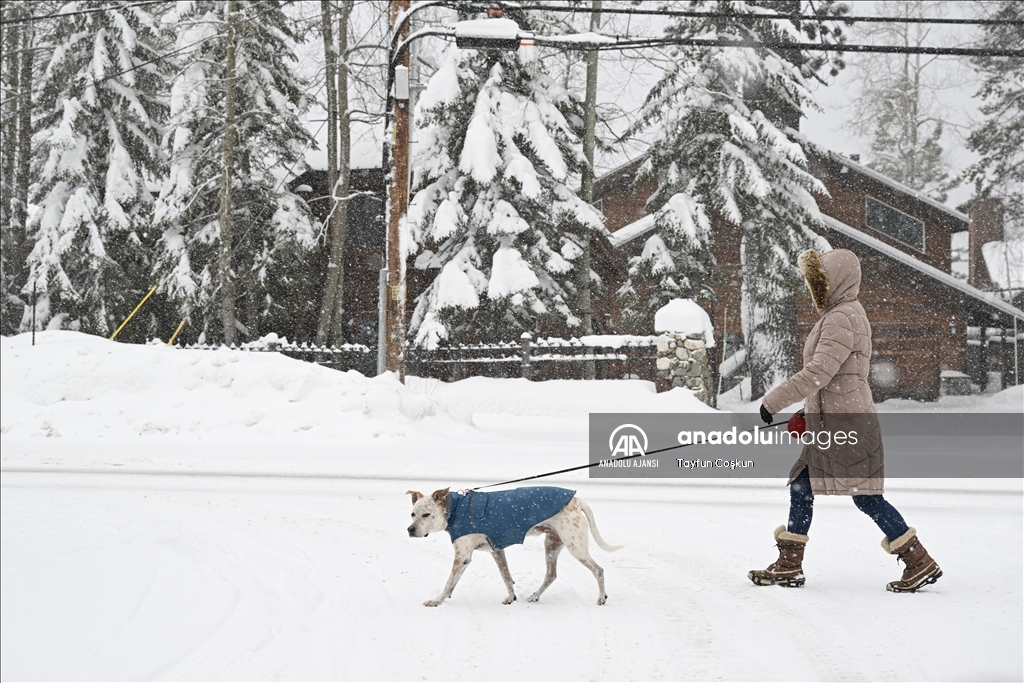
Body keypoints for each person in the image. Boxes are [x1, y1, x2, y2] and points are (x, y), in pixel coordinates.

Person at [747, 248, 942, 593]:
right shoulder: (844, 313)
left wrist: (773, 401)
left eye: (816, 281)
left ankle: (918, 560)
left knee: (865, 496)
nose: (811, 288)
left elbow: (819, 372)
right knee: (802, 485)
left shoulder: (841, 317)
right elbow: (836, 379)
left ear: (833, 282)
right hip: (836, 421)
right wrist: (807, 412)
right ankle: (790, 565)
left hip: (845, 424)